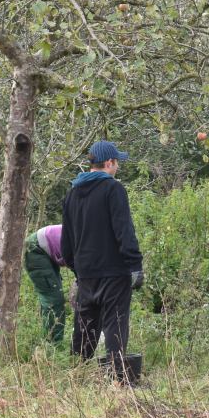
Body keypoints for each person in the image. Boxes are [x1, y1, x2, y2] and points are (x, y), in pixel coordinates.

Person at [61, 140, 144, 382]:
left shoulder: (72, 193)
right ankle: (118, 379)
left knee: (85, 328)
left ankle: (78, 376)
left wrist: (77, 270)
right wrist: (135, 265)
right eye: (117, 162)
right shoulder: (113, 189)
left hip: (86, 273)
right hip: (114, 271)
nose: (118, 167)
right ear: (109, 163)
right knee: (115, 325)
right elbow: (124, 231)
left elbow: (67, 241)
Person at [23, 224, 68, 343]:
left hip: (46, 248)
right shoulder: (88, 242)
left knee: (54, 295)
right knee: (54, 300)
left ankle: (48, 337)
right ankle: (53, 343)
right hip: (36, 249)